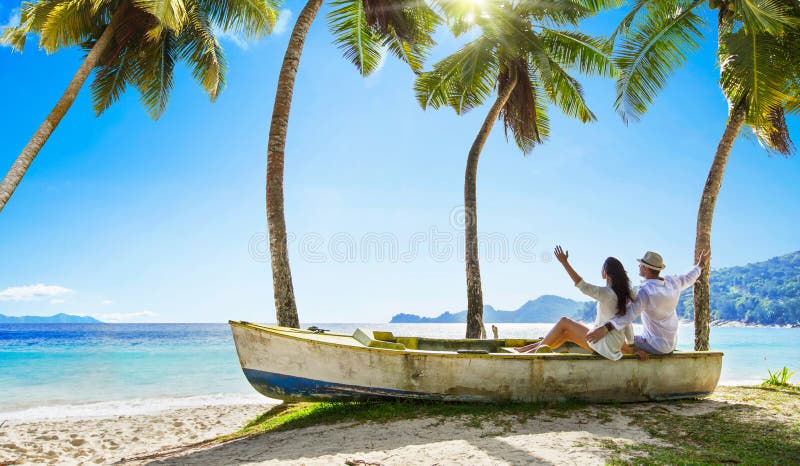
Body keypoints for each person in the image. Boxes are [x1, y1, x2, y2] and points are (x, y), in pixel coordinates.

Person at [516, 245, 636, 360]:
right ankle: (528, 349)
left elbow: (582, 285)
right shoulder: (624, 296)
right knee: (567, 333)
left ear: (605, 272)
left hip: (603, 344)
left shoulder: (607, 293)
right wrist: (631, 346)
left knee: (564, 322)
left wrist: (564, 262)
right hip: (612, 345)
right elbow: (627, 323)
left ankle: (528, 355)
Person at [587, 249, 709, 360]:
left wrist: (605, 328)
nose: (639, 266)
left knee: (617, 340)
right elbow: (689, 278)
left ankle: (636, 353)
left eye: (641, 264)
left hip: (655, 345)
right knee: (630, 338)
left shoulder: (646, 292)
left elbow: (628, 315)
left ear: (645, 268)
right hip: (670, 343)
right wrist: (700, 266)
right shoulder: (672, 283)